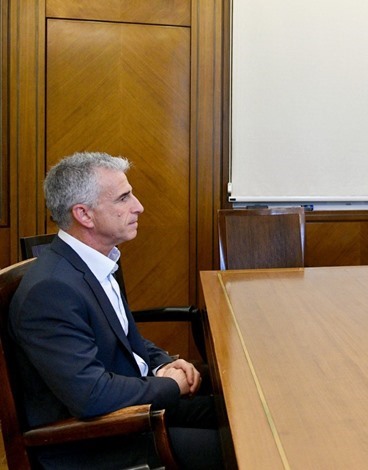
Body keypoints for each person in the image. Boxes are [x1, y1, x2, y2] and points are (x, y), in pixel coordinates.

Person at [9, 152, 223, 469]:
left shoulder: (99, 260)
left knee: (237, 414)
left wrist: (164, 363)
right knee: (239, 449)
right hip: (91, 442)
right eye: (123, 198)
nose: (139, 206)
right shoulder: (51, 290)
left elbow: (122, 336)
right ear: (84, 214)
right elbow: (91, 395)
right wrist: (170, 385)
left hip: (128, 412)